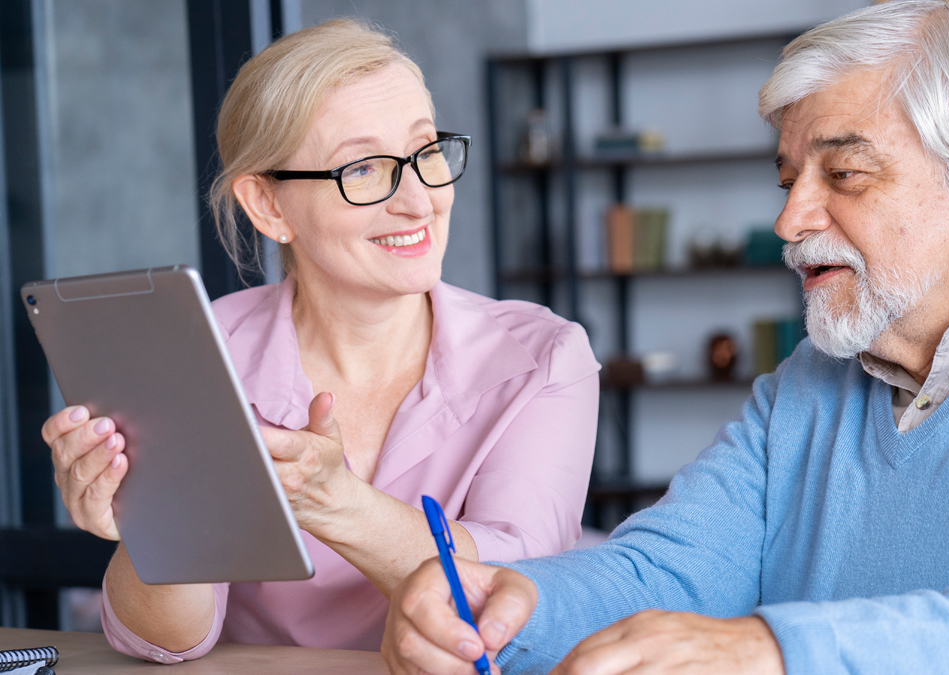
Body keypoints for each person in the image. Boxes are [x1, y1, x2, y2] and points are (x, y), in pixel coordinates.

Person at [383, 2, 949, 674]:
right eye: (789, 180)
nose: (789, 220)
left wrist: (783, 648)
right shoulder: (810, 382)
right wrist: (514, 605)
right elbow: (668, 573)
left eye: (843, 175)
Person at [40, 18, 600, 663]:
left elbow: (519, 606)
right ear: (268, 207)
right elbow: (167, 642)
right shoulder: (204, 353)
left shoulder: (543, 358)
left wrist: (338, 506)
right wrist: (155, 530)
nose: (419, 201)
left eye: (426, 152)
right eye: (363, 169)